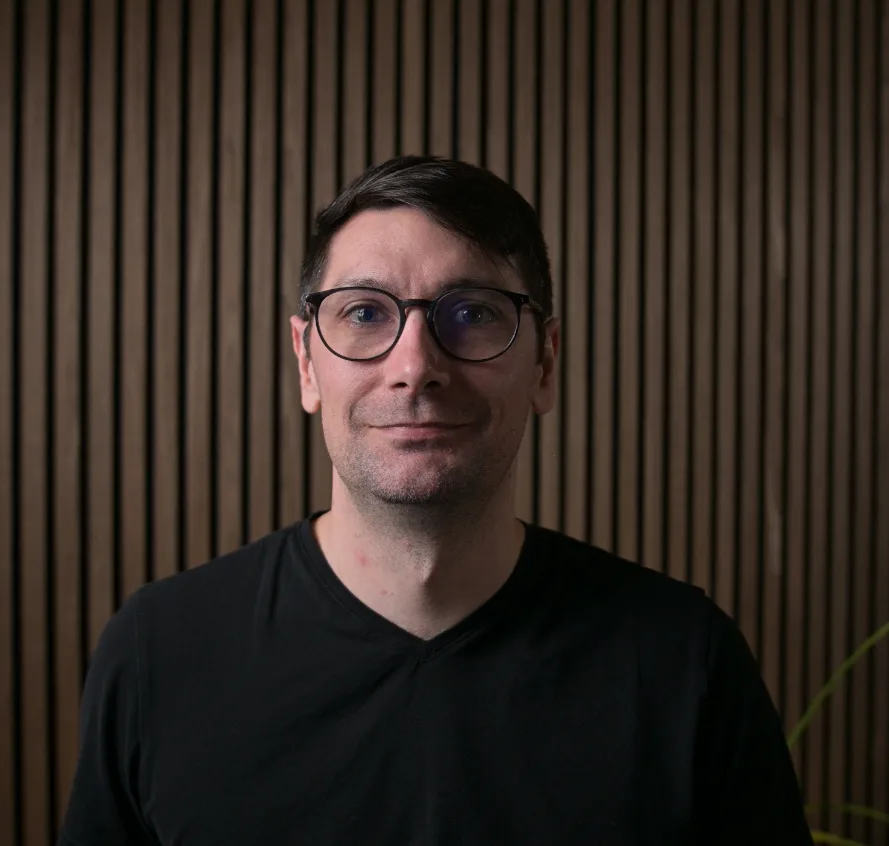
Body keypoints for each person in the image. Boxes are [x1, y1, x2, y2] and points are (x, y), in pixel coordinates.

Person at [58, 156, 813, 845]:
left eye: (473, 313)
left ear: (544, 362)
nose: (414, 366)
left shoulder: (684, 660)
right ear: (306, 363)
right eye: (363, 313)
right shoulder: (159, 651)